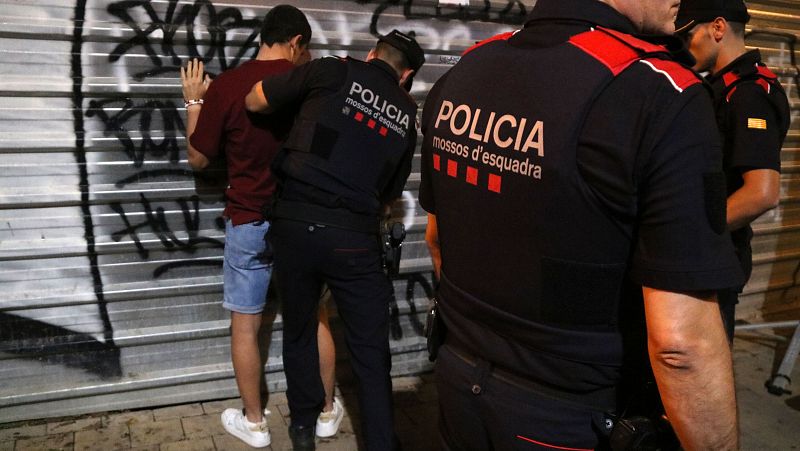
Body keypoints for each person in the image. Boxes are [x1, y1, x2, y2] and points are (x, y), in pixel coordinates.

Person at [420, 0, 745, 449]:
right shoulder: (659, 93)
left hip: (458, 384)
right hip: (574, 420)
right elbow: (680, 347)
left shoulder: (467, 69)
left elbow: (438, 241)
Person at [245, 30, 424, 451]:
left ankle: (302, 428)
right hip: (353, 240)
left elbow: (255, 100)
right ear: (406, 75)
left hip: (295, 226)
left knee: (300, 329)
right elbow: (389, 195)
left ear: (372, 53)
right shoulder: (405, 112)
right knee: (369, 350)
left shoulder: (331, 70)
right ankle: (380, 442)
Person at [180, 5, 341, 448]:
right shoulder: (311, 91)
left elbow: (198, 158)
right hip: (302, 224)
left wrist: (194, 100)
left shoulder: (230, 86)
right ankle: (327, 412)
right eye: (306, 51)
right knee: (315, 317)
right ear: (296, 43)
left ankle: (254, 424)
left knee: (245, 324)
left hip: (248, 220)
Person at [677, 0, 790, 341]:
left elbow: (761, 193)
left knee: (704, 363)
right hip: (704, 255)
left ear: (718, 27)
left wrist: (690, 234)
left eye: (688, 36)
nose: (683, 46)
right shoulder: (721, 87)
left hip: (713, 258)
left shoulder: (748, 94)